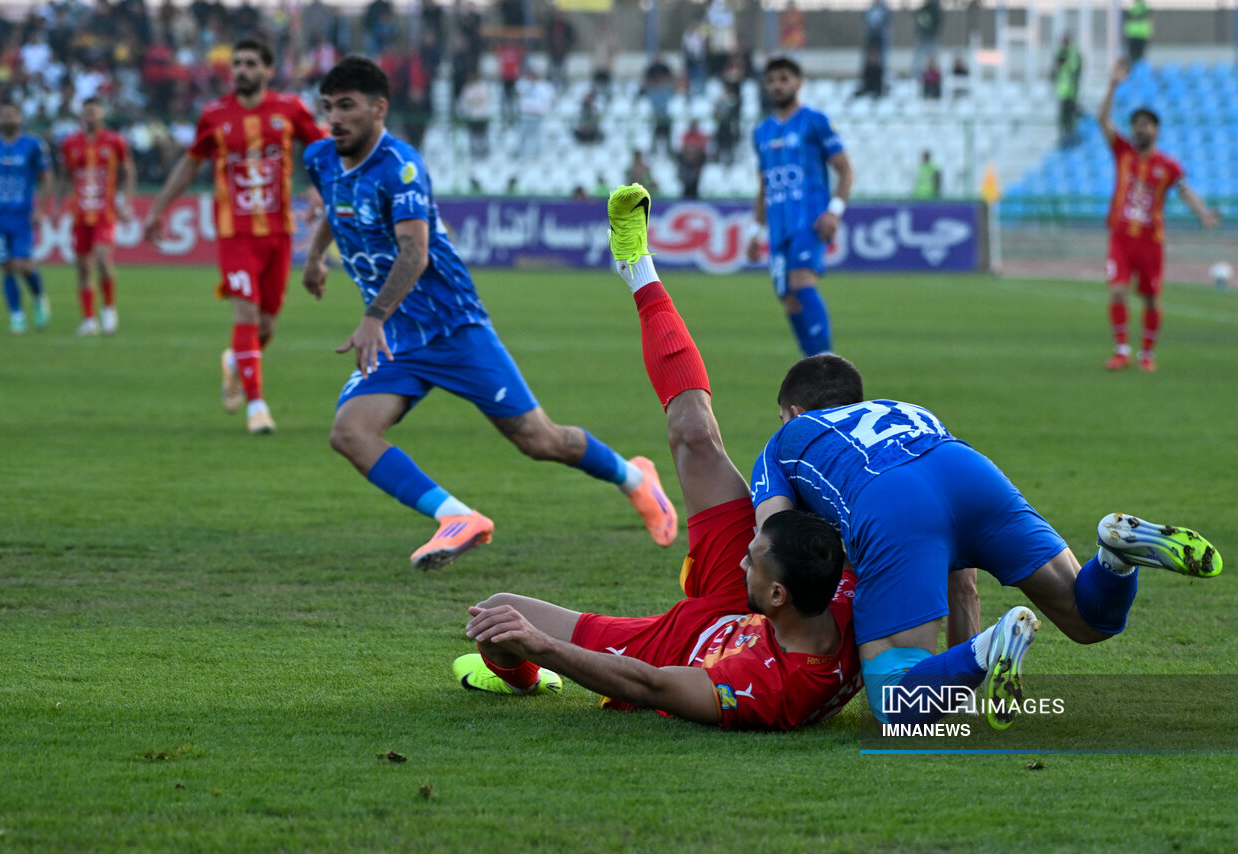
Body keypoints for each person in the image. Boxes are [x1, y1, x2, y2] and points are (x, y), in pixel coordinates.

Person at [455, 184, 864, 731]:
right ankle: (637, 267)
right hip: (780, 579)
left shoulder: (768, 687)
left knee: (495, 616)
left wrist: (541, 648)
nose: (742, 557)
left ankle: (525, 679)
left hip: (684, 640)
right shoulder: (854, 572)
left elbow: (651, 684)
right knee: (695, 433)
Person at [300, 58, 679, 571]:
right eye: (328, 107)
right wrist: (315, 256)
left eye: (347, 106)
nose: (335, 118)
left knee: (540, 440)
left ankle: (636, 478)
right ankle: (457, 517)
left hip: (454, 327)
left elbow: (415, 252)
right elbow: (336, 202)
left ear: (379, 108)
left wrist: (372, 316)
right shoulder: (322, 158)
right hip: (399, 337)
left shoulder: (401, 167)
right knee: (349, 432)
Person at [750, 354, 1223, 726]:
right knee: (1089, 621)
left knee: (895, 703)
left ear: (793, 412)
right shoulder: (905, 409)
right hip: (968, 470)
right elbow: (962, 579)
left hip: (888, 499)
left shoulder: (786, 440)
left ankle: (994, 642)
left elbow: (776, 543)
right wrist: (961, 696)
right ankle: (1116, 558)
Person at [142, 38, 326, 435]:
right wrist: (157, 210)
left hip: (279, 232)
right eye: (237, 63)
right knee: (245, 314)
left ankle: (234, 362)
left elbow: (325, 151)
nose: (241, 70)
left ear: (268, 70)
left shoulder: (290, 109)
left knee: (267, 326)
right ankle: (257, 406)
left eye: (250, 64)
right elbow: (189, 166)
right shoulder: (214, 115)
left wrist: (318, 188)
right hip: (235, 234)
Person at [1097, 59, 1219, 372]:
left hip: (1151, 241)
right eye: (1136, 123)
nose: (1140, 128)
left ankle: (1147, 354)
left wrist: (1203, 214)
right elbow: (1102, 120)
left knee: (1151, 299)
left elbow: (1185, 191)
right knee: (1117, 291)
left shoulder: (1168, 166)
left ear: (1156, 130)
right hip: (1121, 238)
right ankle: (1122, 350)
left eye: (1146, 124)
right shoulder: (1123, 152)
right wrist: (1112, 85)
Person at [746, 56, 854, 358]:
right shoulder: (761, 132)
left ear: (798, 83)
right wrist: (755, 231)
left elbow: (845, 169)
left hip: (810, 220)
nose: (777, 86)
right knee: (788, 298)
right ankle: (813, 363)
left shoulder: (815, 121)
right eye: (771, 81)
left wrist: (834, 211)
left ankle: (828, 362)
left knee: (801, 281)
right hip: (778, 227)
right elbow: (764, 186)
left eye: (784, 79)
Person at [0, 100, 54, 335]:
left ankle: (38, 297)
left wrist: (41, 209)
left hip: (23, 214)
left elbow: (47, 177)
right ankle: (16, 316)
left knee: (23, 264)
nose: (9, 118)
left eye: (13, 115)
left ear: (20, 118)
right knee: (6, 267)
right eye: (4, 115)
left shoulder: (33, 145)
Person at [59, 97, 136, 336]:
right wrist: (56, 207)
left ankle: (109, 310)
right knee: (83, 267)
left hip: (105, 211)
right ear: (81, 115)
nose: (90, 115)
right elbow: (65, 176)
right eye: (87, 112)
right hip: (80, 213)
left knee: (102, 259)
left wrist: (126, 202)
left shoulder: (114, 141)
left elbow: (128, 171)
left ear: (102, 114)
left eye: (94, 111)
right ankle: (89, 321)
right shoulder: (70, 143)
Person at [1053, 34, 1082, 147]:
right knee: (1063, 116)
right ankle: (1064, 137)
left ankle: (1071, 137)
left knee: (1070, 116)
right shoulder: (1063, 52)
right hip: (1063, 92)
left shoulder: (1072, 53)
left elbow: (1075, 70)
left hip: (1070, 91)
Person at [912, 0, 942, 77]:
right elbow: (918, 19)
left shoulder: (935, 10)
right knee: (919, 57)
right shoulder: (923, 9)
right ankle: (917, 74)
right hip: (922, 37)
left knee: (932, 56)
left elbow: (937, 23)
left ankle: (934, 76)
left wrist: (931, 30)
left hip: (931, 37)